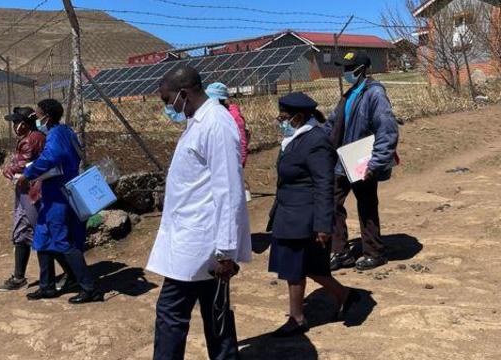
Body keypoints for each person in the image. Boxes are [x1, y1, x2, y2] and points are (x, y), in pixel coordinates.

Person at [146, 66, 251, 360]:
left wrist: (226, 252)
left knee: (171, 314)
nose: (168, 107)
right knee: (216, 312)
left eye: (169, 100)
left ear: (184, 93)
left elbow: (229, 189)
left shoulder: (216, 124)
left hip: (201, 244)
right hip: (195, 239)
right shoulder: (200, 121)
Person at [267, 92, 359, 337]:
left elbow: (324, 184)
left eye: (283, 117)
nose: (280, 121)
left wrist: (322, 225)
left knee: (295, 268)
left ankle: (297, 318)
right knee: (309, 267)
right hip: (289, 213)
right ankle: (345, 295)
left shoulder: (315, 141)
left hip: (303, 217)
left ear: (298, 117)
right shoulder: (296, 137)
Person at [16, 99, 102, 304]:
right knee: (42, 238)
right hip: (54, 192)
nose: (36, 118)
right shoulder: (65, 131)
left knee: (62, 241)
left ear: (47, 115)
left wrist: (28, 173)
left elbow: (51, 158)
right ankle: (46, 287)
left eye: (38, 114)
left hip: (59, 194)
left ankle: (89, 288)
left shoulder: (55, 135)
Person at [325, 50, 399, 271]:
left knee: (366, 205)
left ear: (362, 70)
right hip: (342, 158)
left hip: (362, 161)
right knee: (332, 201)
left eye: (349, 69)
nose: (346, 72)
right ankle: (340, 251)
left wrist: (376, 162)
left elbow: (387, 129)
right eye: (344, 69)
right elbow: (332, 123)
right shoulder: (349, 95)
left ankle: (374, 252)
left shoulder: (375, 94)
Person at [0, 106, 74, 292]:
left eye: (16, 122)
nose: (14, 126)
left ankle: (72, 273)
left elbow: (22, 166)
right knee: (21, 232)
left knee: (44, 233)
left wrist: (9, 168)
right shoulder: (32, 137)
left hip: (32, 192)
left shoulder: (32, 140)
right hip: (26, 191)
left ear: (25, 123)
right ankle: (19, 277)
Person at [205, 82, 249, 167]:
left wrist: (241, 162)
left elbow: (242, 140)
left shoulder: (234, 116)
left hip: (231, 158)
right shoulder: (212, 113)